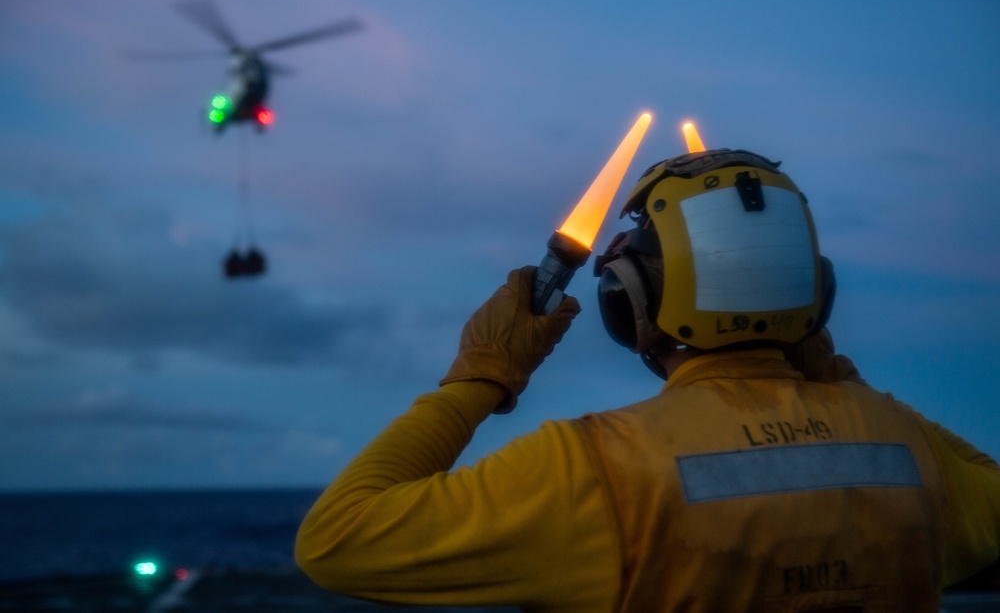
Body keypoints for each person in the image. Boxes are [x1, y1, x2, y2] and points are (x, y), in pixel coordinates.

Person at [295, 148, 1000, 611]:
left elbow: (337, 540)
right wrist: (836, 373)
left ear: (629, 302)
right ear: (815, 295)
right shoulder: (906, 448)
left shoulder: (596, 469)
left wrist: (480, 376)